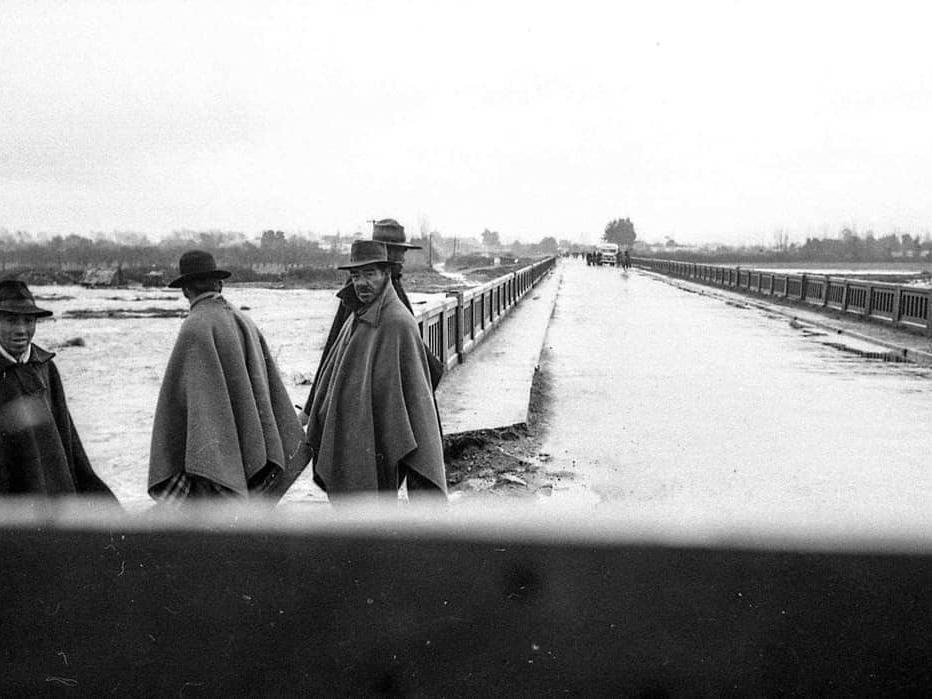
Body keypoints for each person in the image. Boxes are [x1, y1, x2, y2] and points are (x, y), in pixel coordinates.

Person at [296, 240, 446, 502]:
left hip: (378, 439)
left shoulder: (397, 323)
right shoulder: (356, 316)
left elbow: (415, 401)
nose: (361, 283)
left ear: (386, 275)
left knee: (372, 512)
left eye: (369, 274)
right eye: (355, 276)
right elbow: (332, 373)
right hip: (350, 434)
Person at [148, 250, 303, 504]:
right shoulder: (243, 320)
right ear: (218, 283)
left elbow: (186, 409)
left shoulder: (195, 326)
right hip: (250, 455)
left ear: (186, 290)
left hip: (214, 463)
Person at [299, 218, 443, 426]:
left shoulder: (390, 288)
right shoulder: (365, 291)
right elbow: (335, 344)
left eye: (403, 252)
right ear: (385, 253)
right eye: (398, 252)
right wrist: (312, 407)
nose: (402, 258)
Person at [0, 279, 117, 499]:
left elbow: (67, 439)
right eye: (11, 320)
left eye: (28, 320)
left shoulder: (45, 368)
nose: (22, 330)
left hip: (54, 495)